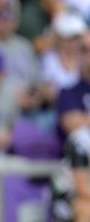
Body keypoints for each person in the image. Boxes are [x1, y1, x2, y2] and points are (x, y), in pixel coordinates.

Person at [57, 32, 90, 222]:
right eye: (84, 49)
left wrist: (84, 119)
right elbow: (73, 125)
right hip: (75, 177)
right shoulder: (69, 92)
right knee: (85, 210)